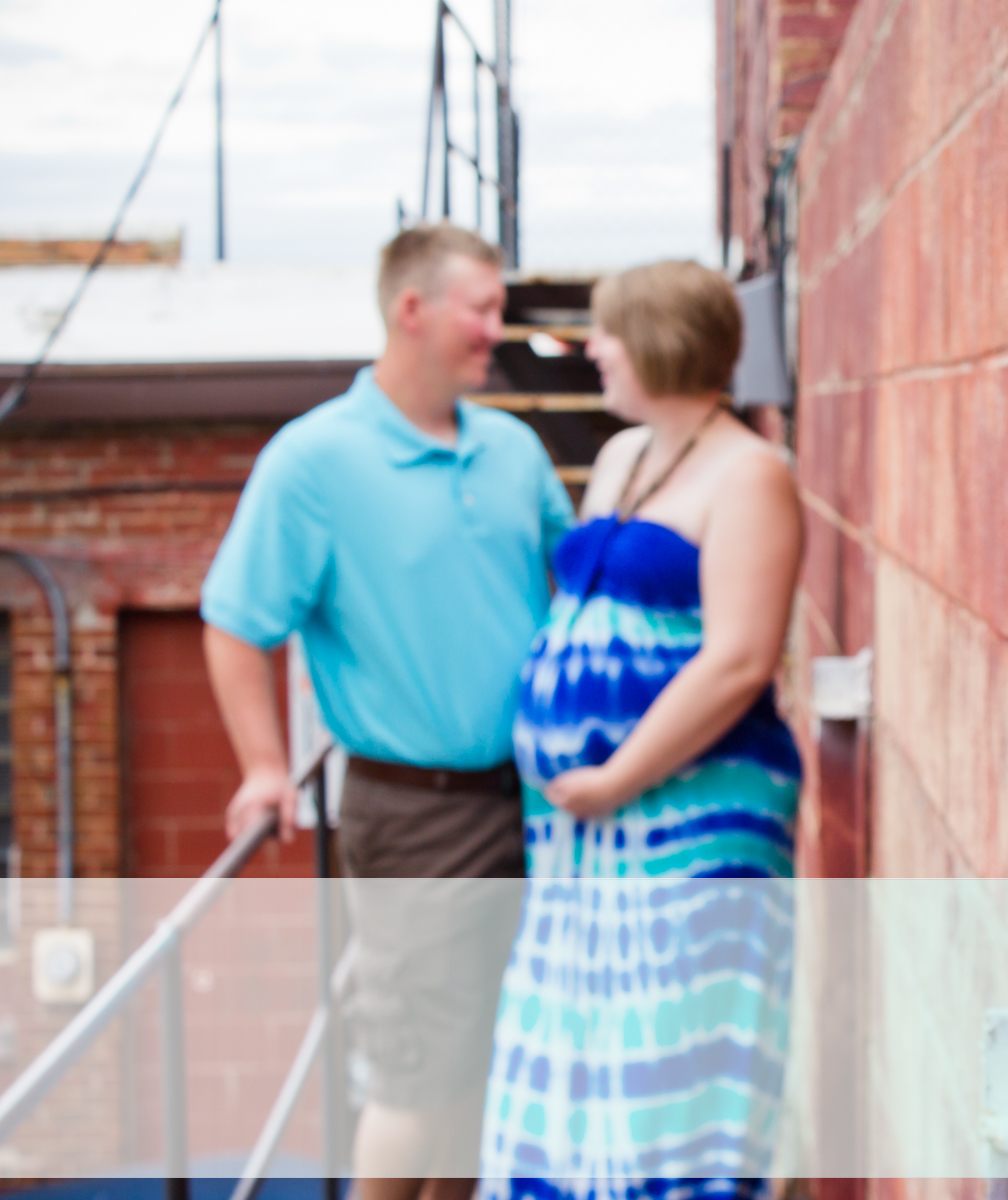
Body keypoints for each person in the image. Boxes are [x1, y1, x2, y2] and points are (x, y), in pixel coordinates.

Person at [201, 224, 575, 1200]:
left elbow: (570, 584)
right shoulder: (314, 461)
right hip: (415, 816)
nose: (496, 330)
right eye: (481, 309)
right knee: (418, 1077)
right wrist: (266, 767)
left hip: (536, 805)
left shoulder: (512, 449)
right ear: (413, 309)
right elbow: (236, 624)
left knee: (489, 1066)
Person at [480, 260, 805, 1199]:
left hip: (693, 814)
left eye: (610, 332)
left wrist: (616, 775)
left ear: (661, 341)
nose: (593, 350)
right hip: (584, 831)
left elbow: (740, 658)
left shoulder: (752, 474)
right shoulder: (625, 457)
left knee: (673, 1062)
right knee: (582, 1055)